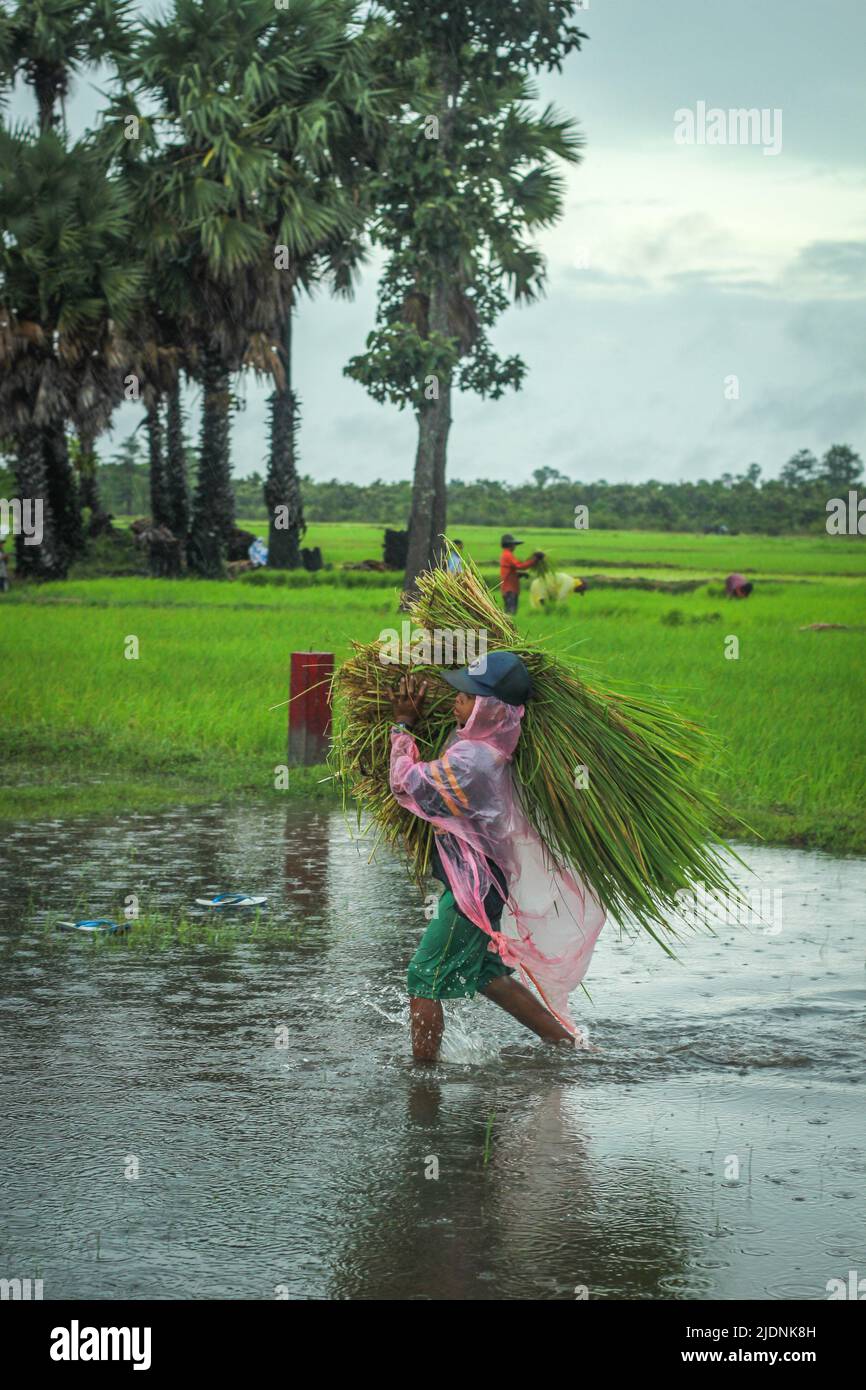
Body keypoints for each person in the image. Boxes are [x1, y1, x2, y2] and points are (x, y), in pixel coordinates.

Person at [388, 652, 606, 1063]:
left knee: (423, 976)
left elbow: (406, 783)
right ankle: (572, 1048)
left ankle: (422, 1078)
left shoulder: (474, 760)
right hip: (482, 882)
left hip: (473, 889)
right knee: (489, 975)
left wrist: (402, 727)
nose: (457, 700)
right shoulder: (485, 747)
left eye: (469, 697)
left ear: (489, 709)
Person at [499, 534, 544, 616]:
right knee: (510, 612)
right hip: (509, 589)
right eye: (513, 545)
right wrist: (535, 559)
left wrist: (519, 574)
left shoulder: (505, 554)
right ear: (509, 545)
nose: (515, 547)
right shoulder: (507, 555)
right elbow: (520, 566)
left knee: (510, 611)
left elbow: (509, 571)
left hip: (509, 588)